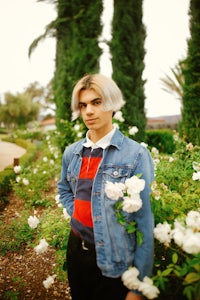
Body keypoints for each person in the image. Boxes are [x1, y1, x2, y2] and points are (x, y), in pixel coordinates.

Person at [58, 73, 154, 300]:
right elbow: (64, 189)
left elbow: (145, 222)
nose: (88, 111)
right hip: (76, 252)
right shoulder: (72, 152)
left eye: (96, 102)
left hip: (114, 259)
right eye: (83, 105)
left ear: (111, 104)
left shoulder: (136, 155)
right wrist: (78, 213)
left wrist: (138, 285)